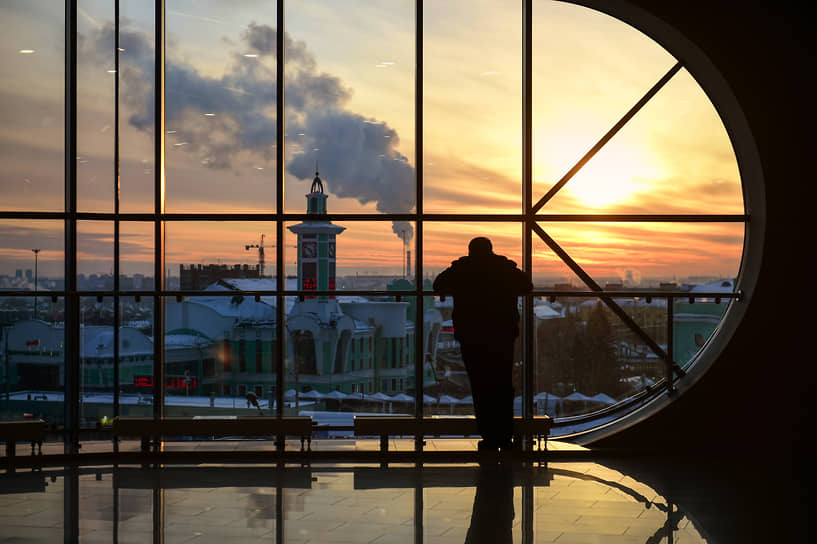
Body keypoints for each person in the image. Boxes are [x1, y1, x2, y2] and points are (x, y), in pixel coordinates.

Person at [433, 237, 532, 451]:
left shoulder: (463, 270)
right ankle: (504, 437)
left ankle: (489, 436)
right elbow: (527, 285)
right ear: (491, 250)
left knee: (480, 387)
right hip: (502, 335)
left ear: (470, 252)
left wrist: (459, 266)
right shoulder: (504, 269)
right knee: (502, 386)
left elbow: (438, 284)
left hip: (472, 336)